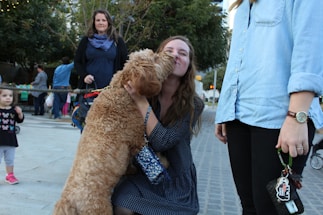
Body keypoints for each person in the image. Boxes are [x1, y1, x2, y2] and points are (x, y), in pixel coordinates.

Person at [214, 1, 323, 214]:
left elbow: (310, 47)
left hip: (280, 119)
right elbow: (239, 58)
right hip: (239, 116)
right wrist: (225, 109)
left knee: (272, 209)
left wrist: (297, 116)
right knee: (249, 207)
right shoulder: (245, 4)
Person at [112, 35, 204, 215]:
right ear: (157, 58)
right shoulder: (144, 90)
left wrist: (141, 102)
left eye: (182, 53)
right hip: (142, 173)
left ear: (189, 64)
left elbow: (163, 141)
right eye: (168, 51)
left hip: (175, 179)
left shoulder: (194, 104)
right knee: (122, 203)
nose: (175, 56)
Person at [74, 9, 128, 90]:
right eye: (98, 20)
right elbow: (77, 62)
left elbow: (126, 63)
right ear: (94, 22)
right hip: (89, 89)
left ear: (108, 22)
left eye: (104, 20)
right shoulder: (86, 40)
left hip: (111, 89)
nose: (101, 23)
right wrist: (84, 75)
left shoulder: (117, 41)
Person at [0, 83, 24, 184]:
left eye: (10, 95)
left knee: (10, 160)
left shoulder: (14, 110)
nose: (8, 98)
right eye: (4, 96)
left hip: (10, 141)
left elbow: (20, 121)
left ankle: (10, 175)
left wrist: (20, 113)